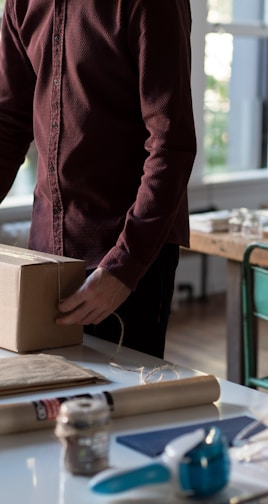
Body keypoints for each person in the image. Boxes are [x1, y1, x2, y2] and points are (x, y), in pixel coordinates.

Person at [0, 0, 196, 358]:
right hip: (44, 259)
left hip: (126, 256)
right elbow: (8, 123)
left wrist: (124, 266)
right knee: (48, 404)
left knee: (124, 408)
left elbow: (172, 145)